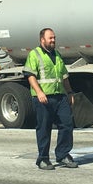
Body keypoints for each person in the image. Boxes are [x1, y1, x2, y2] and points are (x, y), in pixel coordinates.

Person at [24, 28, 77, 170]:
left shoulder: (57, 54)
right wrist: (39, 92)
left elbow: (64, 76)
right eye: (50, 38)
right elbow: (30, 75)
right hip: (43, 98)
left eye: (54, 38)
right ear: (42, 40)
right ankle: (43, 159)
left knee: (67, 124)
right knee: (44, 128)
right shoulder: (34, 55)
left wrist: (70, 92)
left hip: (60, 97)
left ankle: (63, 154)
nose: (53, 40)